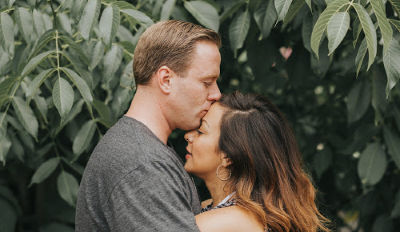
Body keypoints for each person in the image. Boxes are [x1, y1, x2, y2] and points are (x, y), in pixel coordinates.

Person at [75, 20, 222, 231]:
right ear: (166, 79)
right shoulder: (143, 163)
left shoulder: (145, 150)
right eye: (207, 82)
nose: (216, 94)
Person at [184, 92, 330, 232]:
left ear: (228, 157)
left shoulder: (233, 220)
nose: (188, 136)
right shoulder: (219, 209)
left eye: (201, 131)